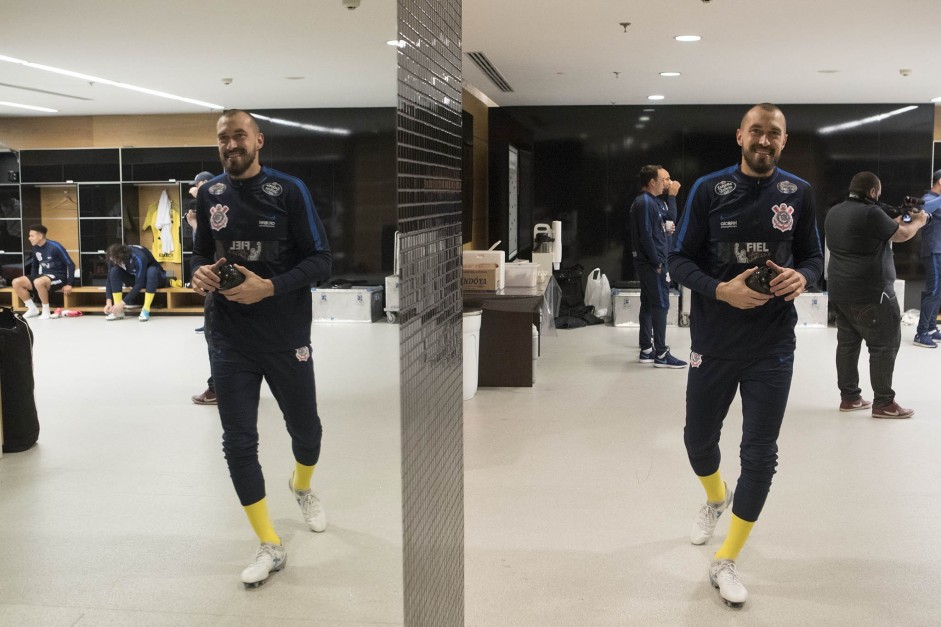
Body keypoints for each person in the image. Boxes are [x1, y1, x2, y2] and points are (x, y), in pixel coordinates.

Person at [668, 103, 823, 607]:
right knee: (697, 440)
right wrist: (720, 291)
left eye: (773, 133)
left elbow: (813, 256)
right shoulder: (709, 189)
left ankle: (727, 559)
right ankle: (716, 498)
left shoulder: (797, 193)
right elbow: (678, 259)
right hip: (713, 342)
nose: (764, 139)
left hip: (773, 347)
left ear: (783, 140)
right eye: (756, 130)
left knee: (760, 453)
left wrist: (806, 276)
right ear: (740, 136)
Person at [191, 109, 333, 588]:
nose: (230, 145)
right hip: (229, 338)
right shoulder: (210, 193)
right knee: (238, 443)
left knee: (306, 431)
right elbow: (199, 251)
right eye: (222, 139)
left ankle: (303, 486)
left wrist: (269, 288)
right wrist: (199, 273)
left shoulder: (289, 190)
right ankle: (269, 543)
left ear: (258, 141)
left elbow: (321, 261)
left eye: (239, 136)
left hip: (285, 334)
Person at [825, 171, 927, 418]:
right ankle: (884, 403)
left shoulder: (834, 212)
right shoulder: (870, 213)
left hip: (840, 292)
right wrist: (920, 221)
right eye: (877, 194)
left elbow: (878, 226)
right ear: (872, 192)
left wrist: (900, 215)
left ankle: (850, 398)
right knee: (884, 346)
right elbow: (902, 234)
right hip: (872, 294)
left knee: (847, 345)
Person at [629, 165, 687, 368]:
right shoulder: (644, 202)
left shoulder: (657, 202)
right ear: (652, 182)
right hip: (653, 263)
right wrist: (657, 262)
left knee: (649, 303)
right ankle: (661, 354)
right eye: (664, 179)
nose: (668, 183)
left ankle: (646, 350)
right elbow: (645, 235)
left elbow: (671, 221)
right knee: (661, 304)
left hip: (657, 261)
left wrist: (672, 197)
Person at [186, 171, 217, 404]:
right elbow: (202, 247)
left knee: (216, 337)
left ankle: (217, 388)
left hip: (225, 278)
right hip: (215, 278)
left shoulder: (219, 199)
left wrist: (201, 196)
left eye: (201, 185)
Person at [13, 224, 75, 319]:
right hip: (44, 277)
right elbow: (34, 266)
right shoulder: (35, 248)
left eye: (32, 236)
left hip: (59, 277)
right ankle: (32, 309)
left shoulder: (55, 246)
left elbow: (71, 265)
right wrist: (32, 282)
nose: (29, 238)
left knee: (38, 281)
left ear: (40, 236)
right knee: (16, 282)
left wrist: (69, 284)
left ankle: (46, 311)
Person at [102, 243, 168, 322]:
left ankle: (146, 309)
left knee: (151, 271)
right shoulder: (113, 257)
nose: (113, 262)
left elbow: (139, 284)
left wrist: (123, 303)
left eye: (115, 261)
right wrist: (108, 301)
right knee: (114, 271)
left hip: (156, 279)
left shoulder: (139, 257)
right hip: (138, 278)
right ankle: (117, 311)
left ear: (122, 258)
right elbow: (109, 279)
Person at [913, 170, 941, 347]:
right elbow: (920, 210)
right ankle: (921, 333)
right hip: (933, 252)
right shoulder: (929, 198)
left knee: (938, 291)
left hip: (939, 252)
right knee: (933, 290)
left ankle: (931, 327)